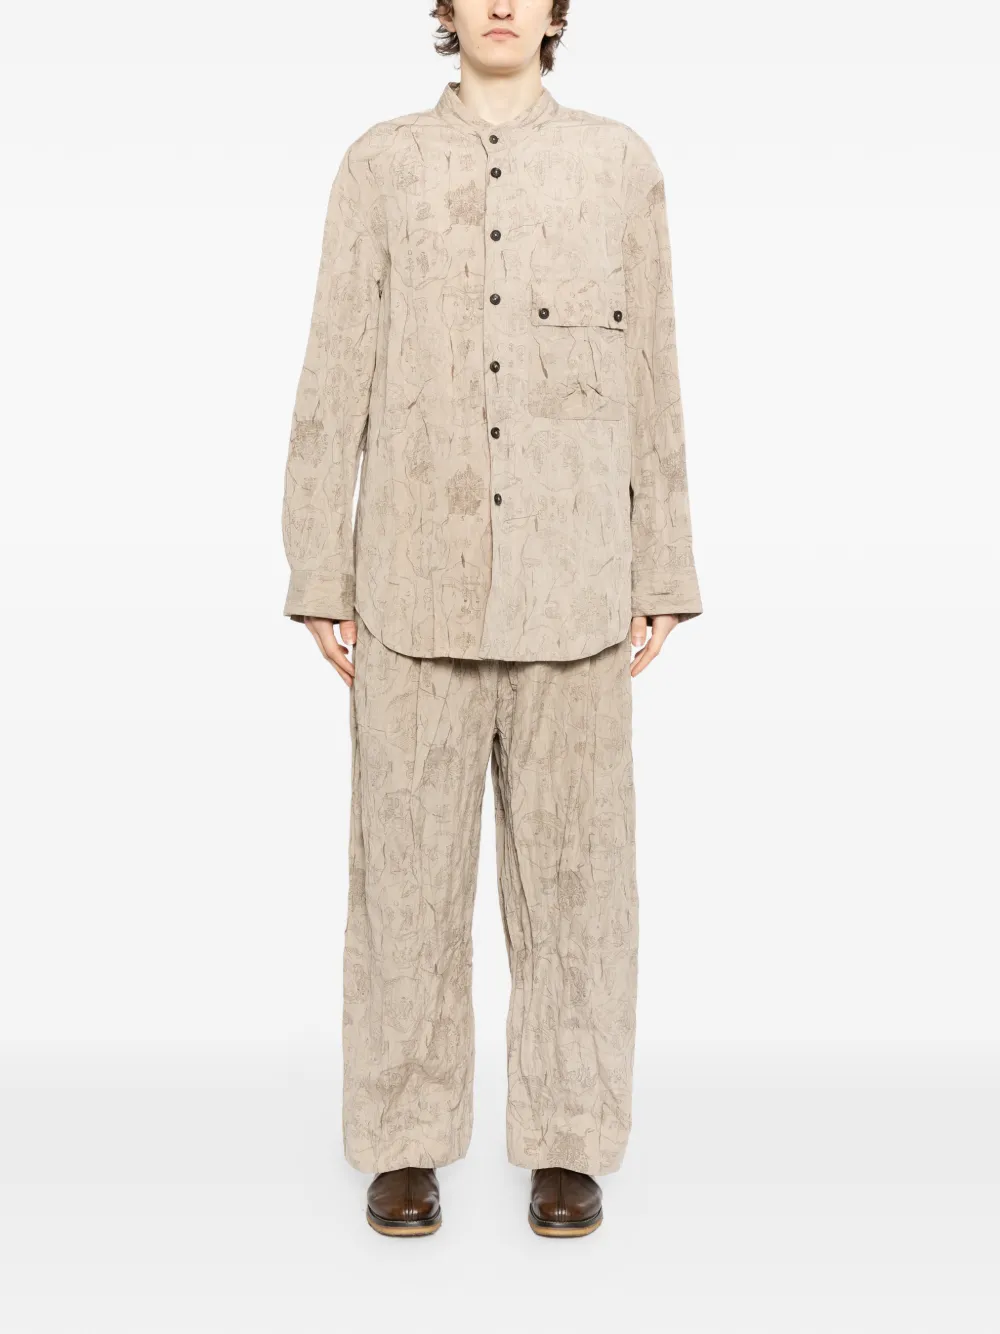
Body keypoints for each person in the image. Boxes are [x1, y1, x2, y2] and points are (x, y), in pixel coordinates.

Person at [280, 0, 703, 1239]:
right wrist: (319, 566)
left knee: (579, 885)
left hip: (578, 591)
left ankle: (569, 1142)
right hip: (412, 585)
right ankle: (402, 1140)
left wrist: (663, 563)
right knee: (404, 884)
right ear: (447, 9)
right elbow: (334, 365)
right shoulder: (381, 165)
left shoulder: (618, 164)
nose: (503, 4)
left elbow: (654, 371)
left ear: (560, 9)